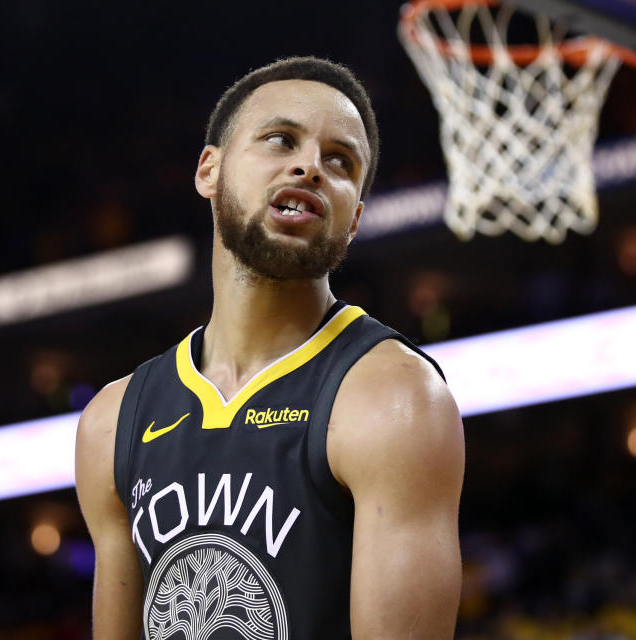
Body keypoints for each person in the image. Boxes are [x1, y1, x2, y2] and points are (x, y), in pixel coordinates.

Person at [75, 56, 465, 639]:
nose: (310, 166)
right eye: (281, 140)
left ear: (353, 219)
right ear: (210, 170)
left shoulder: (394, 398)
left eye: (339, 161)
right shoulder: (112, 421)